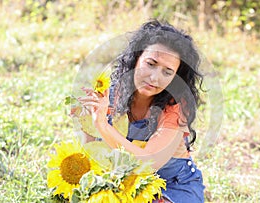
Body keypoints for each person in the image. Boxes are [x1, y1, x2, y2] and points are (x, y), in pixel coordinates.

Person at [78, 19, 205, 203]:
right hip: (124, 181)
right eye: (151, 64)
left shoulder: (176, 106)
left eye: (167, 72)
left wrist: (102, 125)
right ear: (136, 58)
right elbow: (90, 151)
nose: (154, 78)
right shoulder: (110, 94)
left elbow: (150, 162)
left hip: (173, 185)